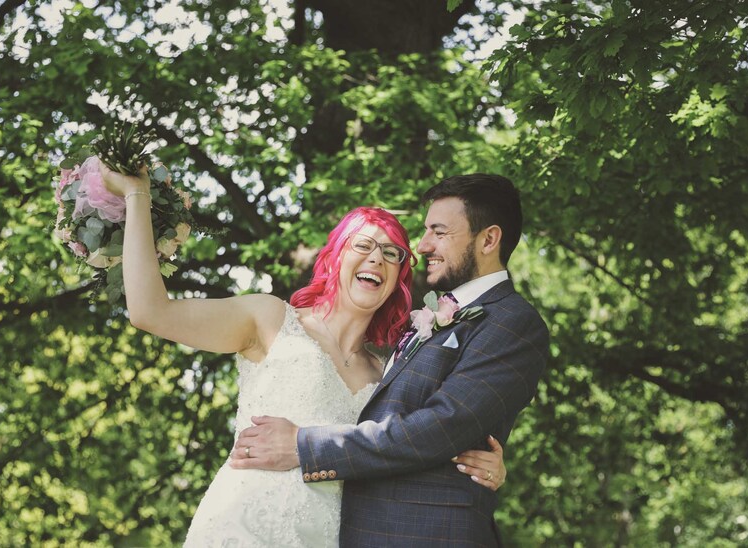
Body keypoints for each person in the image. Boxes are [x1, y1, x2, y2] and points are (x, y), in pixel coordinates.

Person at [100, 165, 507, 547]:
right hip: (243, 528)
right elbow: (150, 312)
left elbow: (416, 442)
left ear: (398, 278)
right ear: (335, 258)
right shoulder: (269, 318)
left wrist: (484, 468)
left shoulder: (389, 374)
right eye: (362, 245)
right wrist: (137, 195)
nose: (376, 259)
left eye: (391, 253)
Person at [230, 173, 549, 546]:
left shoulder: (512, 320)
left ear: (489, 239)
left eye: (439, 232)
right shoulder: (429, 316)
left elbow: (443, 425)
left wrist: (304, 445)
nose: (423, 244)